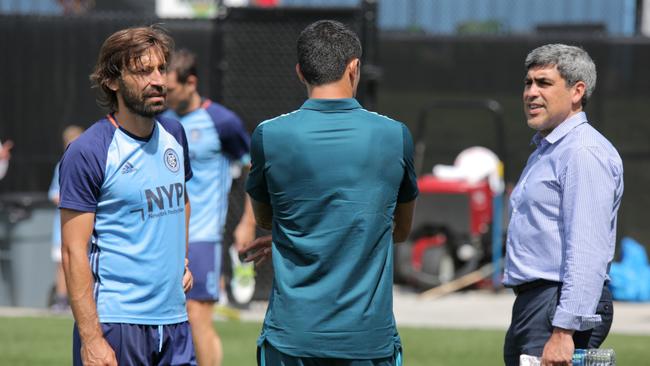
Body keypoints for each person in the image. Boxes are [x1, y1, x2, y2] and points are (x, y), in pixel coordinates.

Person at [242, 20, 418, 366]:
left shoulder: (269, 135)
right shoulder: (395, 135)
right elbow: (400, 229)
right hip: (368, 341)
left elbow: (266, 218)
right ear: (354, 68)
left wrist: (294, 235)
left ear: (299, 72)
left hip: (292, 338)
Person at [58, 26, 196, 365]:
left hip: (175, 322)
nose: (158, 80)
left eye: (161, 69)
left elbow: (183, 200)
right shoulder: (89, 151)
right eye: (143, 71)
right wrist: (91, 339)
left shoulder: (174, 134)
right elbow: (73, 251)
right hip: (117, 324)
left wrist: (183, 259)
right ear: (112, 80)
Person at [503, 44, 624, 366]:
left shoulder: (582, 152)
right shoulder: (549, 148)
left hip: (556, 306)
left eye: (543, 83)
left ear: (577, 91)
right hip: (538, 303)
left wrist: (564, 329)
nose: (530, 92)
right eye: (528, 83)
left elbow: (588, 248)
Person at [164, 48, 256, 366]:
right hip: (165, 235)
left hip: (202, 234)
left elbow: (253, 169)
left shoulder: (222, 122)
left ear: (191, 83)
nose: (165, 95)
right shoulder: (160, 120)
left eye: (171, 89)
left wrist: (248, 222)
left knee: (196, 316)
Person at [48, 125, 84, 312]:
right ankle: (61, 300)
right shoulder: (61, 165)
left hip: (84, 227)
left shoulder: (89, 163)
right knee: (63, 263)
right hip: (62, 227)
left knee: (82, 263)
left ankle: (80, 300)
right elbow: (54, 193)